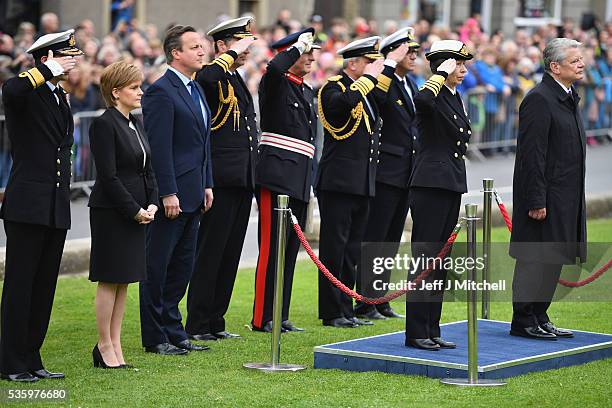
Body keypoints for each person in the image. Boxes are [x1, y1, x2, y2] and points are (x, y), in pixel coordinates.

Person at [0, 29, 81, 382]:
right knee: (20, 285)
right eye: (66, 55)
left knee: (44, 286)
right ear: (47, 58)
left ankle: (32, 356)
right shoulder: (26, 91)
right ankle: (11, 362)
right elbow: (11, 89)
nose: (73, 61)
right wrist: (45, 70)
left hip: (54, 204)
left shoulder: (60, 97)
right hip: (28, 204)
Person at [316, 36, 407, 328]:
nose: (373, 67)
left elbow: (382, 98)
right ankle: (332, 311)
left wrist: (386, 68)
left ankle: (347, 307)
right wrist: (368, 78)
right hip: (338, 183)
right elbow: (342, 106)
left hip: (362, 182)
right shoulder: (333, 88)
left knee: (353, 250)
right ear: (353, 63)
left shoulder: (366, 93)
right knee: (334, 248)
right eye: (369, 61)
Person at [139, 25, 211, 355]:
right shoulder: (160, 91)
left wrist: (207, 182)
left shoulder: (196, 90)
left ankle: (174, 330)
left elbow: (202, 144)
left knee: (182, 267)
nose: (203, 51)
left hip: (195, 192)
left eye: (203, 46)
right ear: (175, 53)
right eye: (194, 46)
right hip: (173, 195)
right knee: (159, 266)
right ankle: (155, 336)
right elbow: (160, 148)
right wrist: (167, 192)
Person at [509, 38, 586, 340]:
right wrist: (536, 198)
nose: (581, 64)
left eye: (581, 59)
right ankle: (524, 318)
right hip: (545, 197)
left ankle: (540, 314)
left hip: (565, 196)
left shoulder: (566, 96)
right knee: (535, 258)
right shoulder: (540, 98)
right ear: (555, 66)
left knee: (553, 257)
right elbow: (533, 154)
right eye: (574, 60)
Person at [186, 17, 257, 341]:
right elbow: (209, 76)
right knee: (211, 251)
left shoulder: (235, 78)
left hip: (241, 178)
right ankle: (199, 322)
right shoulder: (212, 74)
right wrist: (229, 55)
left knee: (230, 254)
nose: (244, 50)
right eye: (237, 43)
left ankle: (216, 319)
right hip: (220, 179)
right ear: (220, 46)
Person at [88, 61, 158, 368]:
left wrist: (152, 203)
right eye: (134, 87)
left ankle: (115, 344)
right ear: (116, 92)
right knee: (109, 278)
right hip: (112, 212)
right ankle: (104, 344)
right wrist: (134, 210)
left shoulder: (135, 123)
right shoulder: (104, 124)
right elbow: (108, 176)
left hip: (138, 211)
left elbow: (148, 171)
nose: (140, 92)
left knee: (124, 280)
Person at [406, 40, 473, 350]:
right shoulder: (432, 93)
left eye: (462, 64)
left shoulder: (452, 96)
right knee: (425, 258)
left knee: (441, 260)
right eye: (456, 64)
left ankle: (432, 328)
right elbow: (421, 102)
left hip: (449, 182)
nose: (462, 69)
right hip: (430, 184)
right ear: (443, 66)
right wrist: (438, 75)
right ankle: (417, 331)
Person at [252, 28, 319, 333]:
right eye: (305, 51)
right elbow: (274, 68)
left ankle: (280, 313)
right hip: (276, 176)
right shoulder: (275, 82)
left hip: (299, 177)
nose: (310, 57)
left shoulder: (305, 90)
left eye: (311, 51)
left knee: (292, 249)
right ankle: (262, 316)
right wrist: (294, 48)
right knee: (271, 248)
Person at [355, 27, 420, 321]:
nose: (415, 56)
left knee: (392, 239)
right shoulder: (386, 82)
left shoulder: (410, 84)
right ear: (396, 53)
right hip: (386, 171)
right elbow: (378, 99)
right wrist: (389, 63)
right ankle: (365, 300)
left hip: (406, 172)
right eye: (409, 52)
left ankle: (380, 299)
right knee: (377, 238)